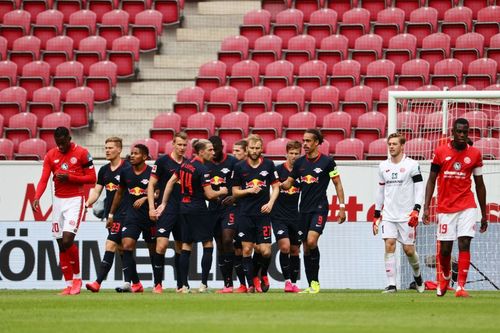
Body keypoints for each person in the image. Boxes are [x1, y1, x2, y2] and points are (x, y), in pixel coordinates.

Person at [423, 118, 488, 297]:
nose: (461, 135)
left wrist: (484, 214)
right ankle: (444, 275)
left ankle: (460, 287)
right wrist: (426, 207)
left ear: (468, 133)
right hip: (445, 207)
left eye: (465, 132)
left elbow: (480, 185)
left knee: (464, 242)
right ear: (453, 131)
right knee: (445, 249)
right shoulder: (440, 152)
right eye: (458, 131)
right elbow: (431, 180)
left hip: (467, 204)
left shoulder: (474, 154)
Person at [156, 139, 227, 293]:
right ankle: (203, 285)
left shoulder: (184, 165)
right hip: (199, 210)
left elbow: (170, 183)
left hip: (183, 209)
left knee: (186, 245)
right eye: (209, 150)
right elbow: (209, 195)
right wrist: (222, 192)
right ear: (201, 152)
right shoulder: (203, 170)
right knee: (208, 244)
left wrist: (164, 203)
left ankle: (183, 286)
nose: (213, 152)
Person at [32, 127, 96, 295]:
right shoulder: (50, 155)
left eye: (63, 143)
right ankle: (68, 284)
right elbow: (44, 179)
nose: (60, 147)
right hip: (58, 202)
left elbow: (92, 178)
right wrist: (37, 196)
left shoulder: (82, 153)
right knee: (60, 244)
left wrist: (70, 178)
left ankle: (77, 278)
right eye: (57, 144)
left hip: (75, 200)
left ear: (69, 138)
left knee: (68, 240)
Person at [281, 129, 346, 294]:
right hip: (303, 210)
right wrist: (278, 184)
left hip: (320, 208)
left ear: (317, 142)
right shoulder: (299, 163)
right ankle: (311, 284)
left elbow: (337, 183)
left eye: (308, 141)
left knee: (311, 241)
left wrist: (342, 207)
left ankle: (315, 282)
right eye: (303, 140)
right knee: (306, 247)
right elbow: (289, 182)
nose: (305, 144)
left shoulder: (327, 162)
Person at [372, 133, 425, 293]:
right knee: (389, 245)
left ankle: (418, 277)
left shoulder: (412, 165)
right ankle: (392, 285)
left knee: (409, 250)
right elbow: (380, 190)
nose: (391, 147)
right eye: (390, 144)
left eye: (395, 144)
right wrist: (376, 214)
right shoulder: (383, 166)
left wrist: (416, 209)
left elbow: (419, 188)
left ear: (402, 146)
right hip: (388, 215)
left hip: (406, 215)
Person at [232, 134, 280, 293]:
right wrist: (249, 190)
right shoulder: (239, 167)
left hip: (263, 214)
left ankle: (263, 274)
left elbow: (276, 187)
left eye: (257, 148)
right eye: (251, 148)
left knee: (266, 251)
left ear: (261, 148)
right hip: (245, 214)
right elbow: (235, 192)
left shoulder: (268, 164)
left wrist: (271, 203)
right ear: (247, 149)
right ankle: (252, 283)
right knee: (246, 250)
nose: (254, 150)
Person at [85, 137, 131, 293]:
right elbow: (97, 191)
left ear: (119, 149)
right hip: (111, 214)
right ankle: (130, 282)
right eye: (106, 148)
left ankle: (97, 282)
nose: (107, 150)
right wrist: (86, 203)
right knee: (121, 248)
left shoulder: (128, 168)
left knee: (110, 244)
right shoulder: (104, 170)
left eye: (110, 148)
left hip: (127, 214)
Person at [107, 144, 155, 293]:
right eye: (131, 153)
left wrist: (145, 198)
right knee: (126, 245)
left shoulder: (152, 173)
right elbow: (119, 193)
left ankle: (158, 283)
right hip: (132, 216)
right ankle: (129, 282)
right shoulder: (126, 172)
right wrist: (111, 214)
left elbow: (158, 193)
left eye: (136, 153)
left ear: (145, 157)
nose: (132, 156)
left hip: (150, 217)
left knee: (154, 251)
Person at [147, 132, 188, 293]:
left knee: (180, 246)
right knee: (162, 244)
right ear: (173, 143)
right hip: (166, 209)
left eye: (185, 145)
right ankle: (157, 284)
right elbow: (151, 185)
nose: (182, 148)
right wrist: (152, 207)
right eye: (179, 144)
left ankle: (180, 285)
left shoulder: (188, 164)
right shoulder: (163, 161)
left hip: (183, 210)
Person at [205, 136, 239, 293]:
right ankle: (227, 283)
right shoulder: (205, 163)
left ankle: (234, 279)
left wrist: (233, 196)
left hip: (229, 208)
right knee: (219, 244)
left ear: (221, 148)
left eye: (215, 149)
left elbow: (239, 182)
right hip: (212, 208)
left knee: (227, 240)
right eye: (210, 150)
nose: (213, 153)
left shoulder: (232, 162)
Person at [271, 140, 302, 293]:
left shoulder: (302, 172)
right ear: (286, 154)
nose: (294, 156)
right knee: (285, 247)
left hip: (295, 216)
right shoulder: (277, 170)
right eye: (291, 153)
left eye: (297, 153)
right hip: (278, 216)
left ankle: (294, 283)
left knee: (295, 250)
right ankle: (287, 282)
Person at [231, 140, 250, 293]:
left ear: (246, 151)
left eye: (238, 151)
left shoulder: (255, 167)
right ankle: (243, 284)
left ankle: (258, 277)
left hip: (254, 214)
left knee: (256, 248)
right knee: (238, 249)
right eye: (234, 151)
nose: (234, 154)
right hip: (237, 213)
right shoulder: (235, 168)